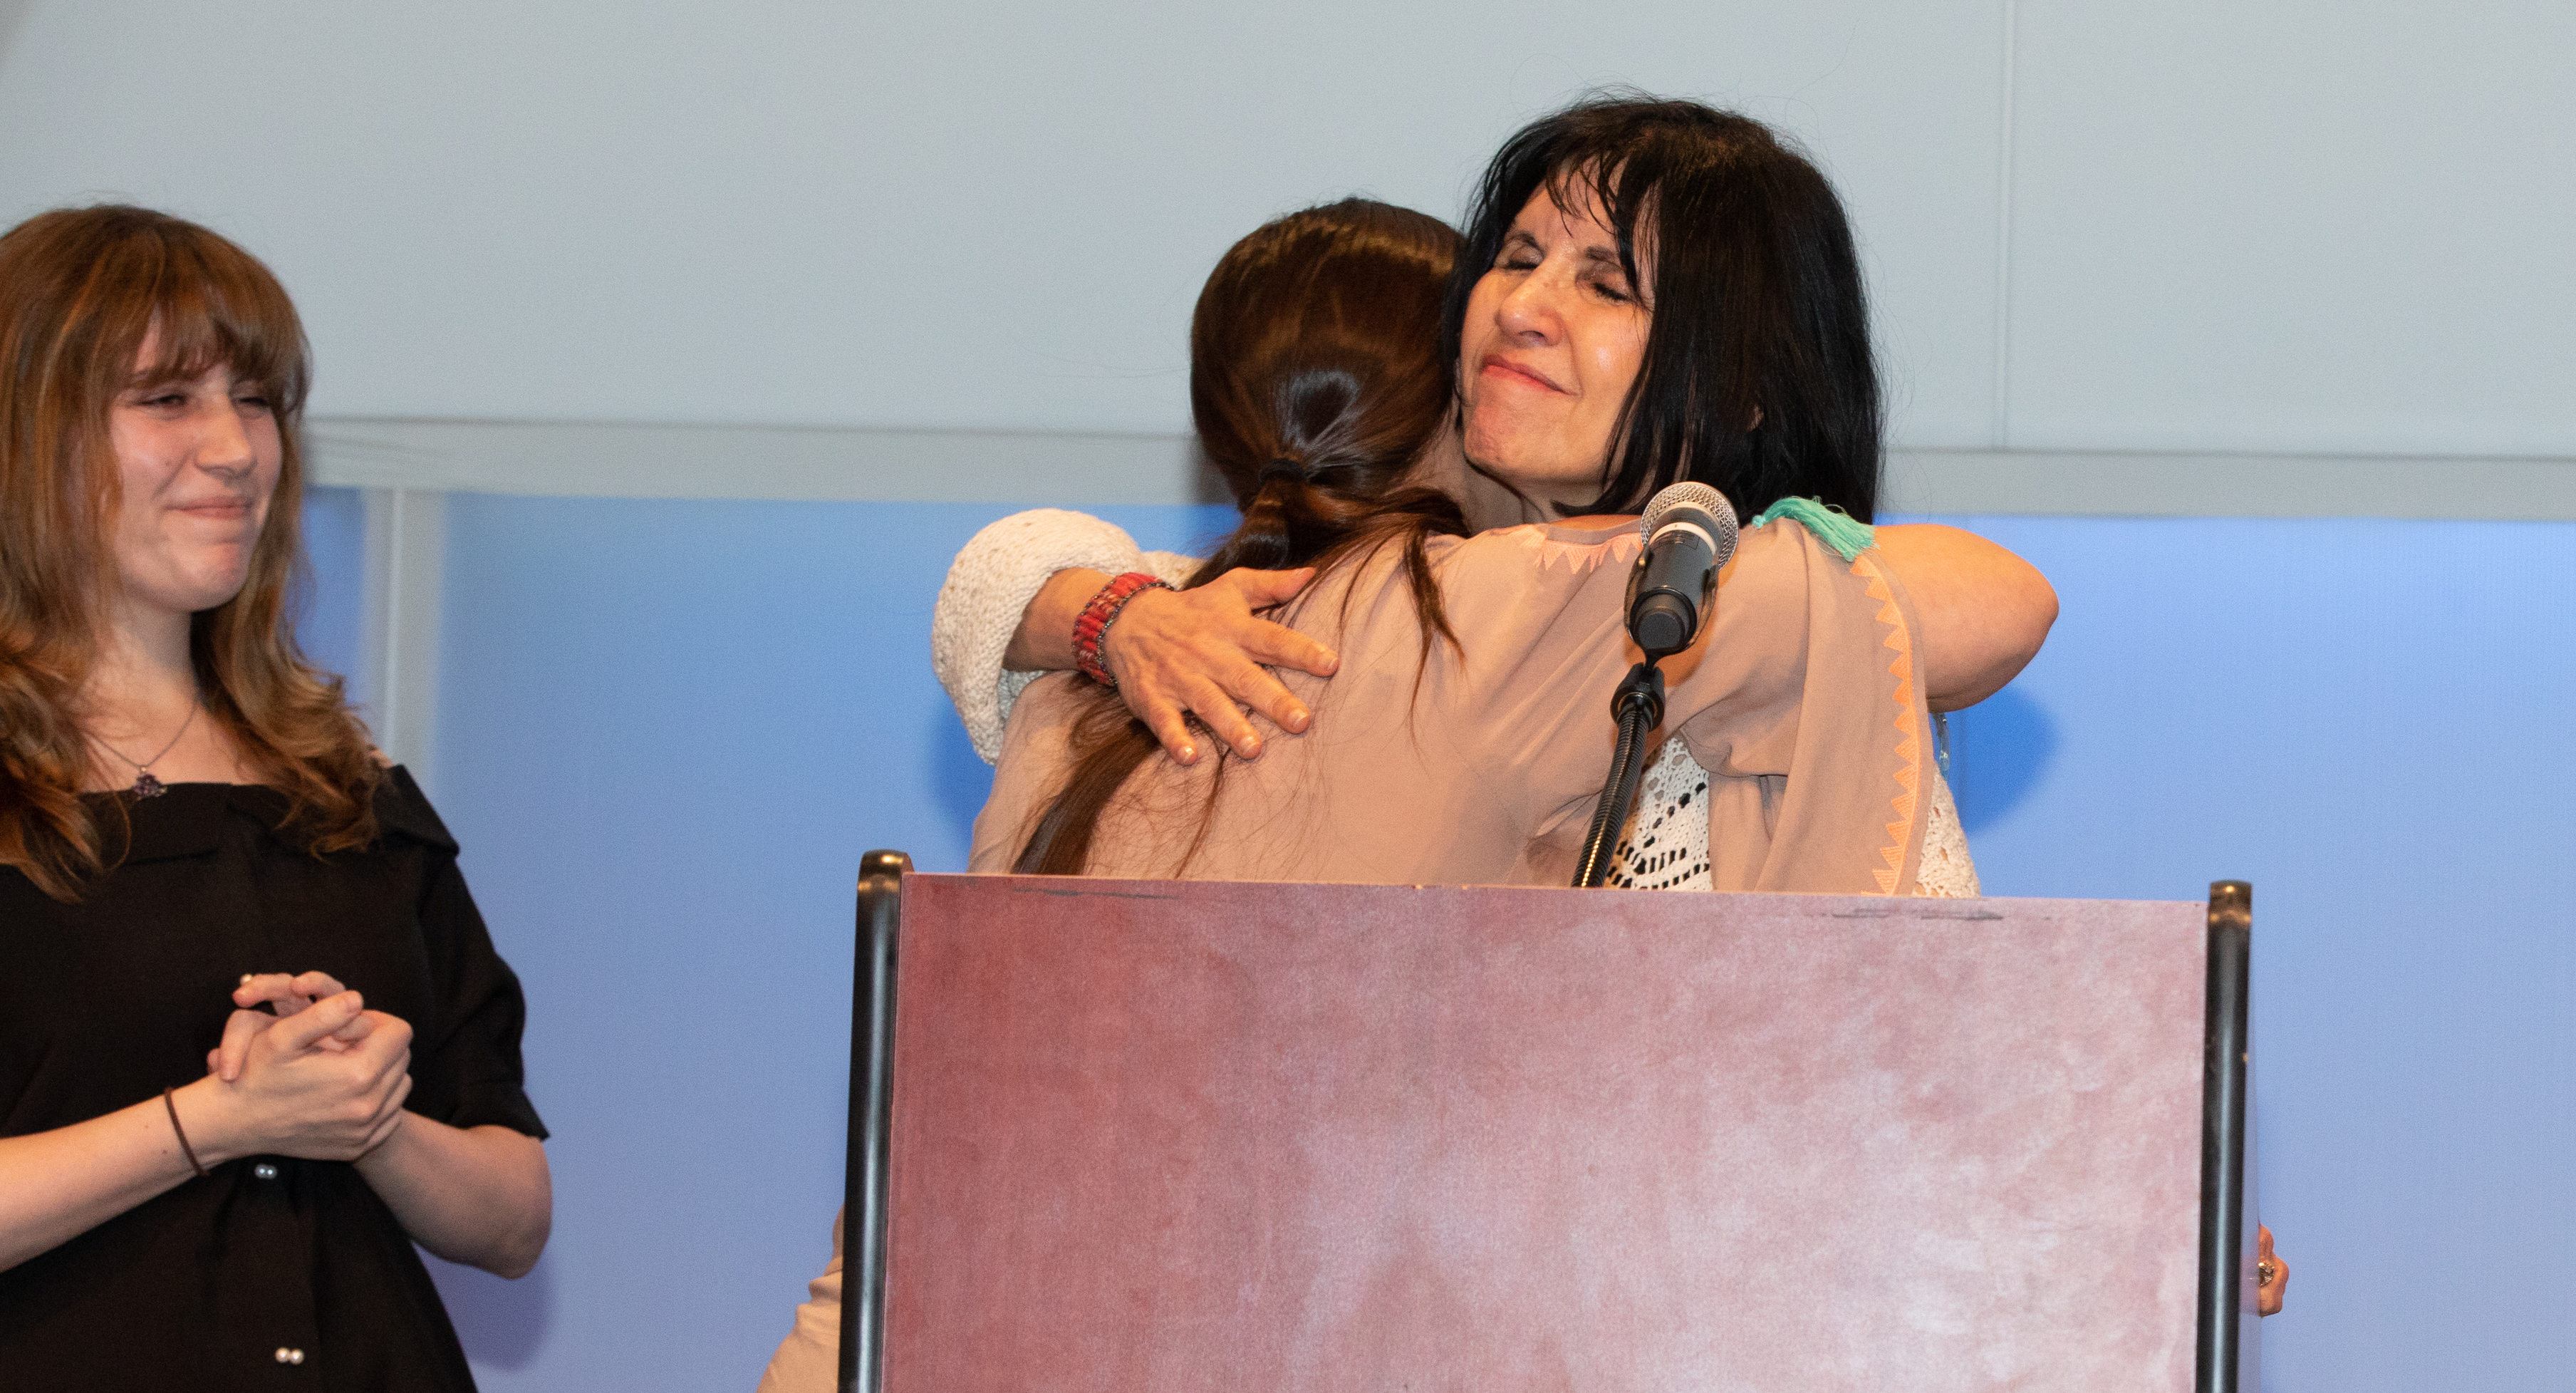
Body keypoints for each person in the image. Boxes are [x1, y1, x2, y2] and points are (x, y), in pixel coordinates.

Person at [933, 96, 2052, 894]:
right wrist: (1110, 614)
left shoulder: (1180, 630)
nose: (1522, 305)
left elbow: (1997, 600)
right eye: (1515, 258)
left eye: (1605, 282)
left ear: (1745, 384)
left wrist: (1094, 614)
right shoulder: (1437, 607)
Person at [0, 206, 551, 1390]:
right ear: (23, 436)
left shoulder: (345, 790)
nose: (238, 448)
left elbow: (514, 1219)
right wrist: (218, 1120)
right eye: (167, 401)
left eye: (257, 401)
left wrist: (365, 1113)